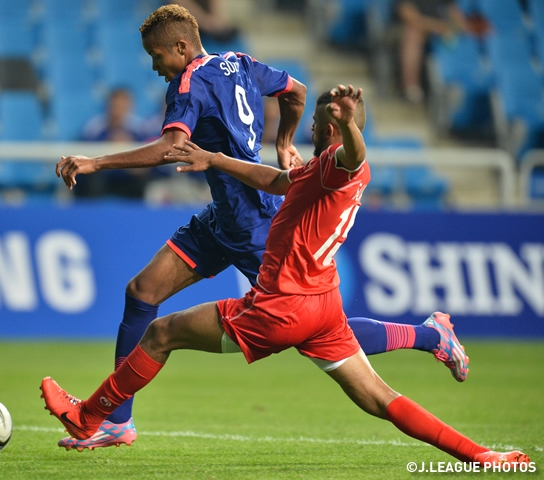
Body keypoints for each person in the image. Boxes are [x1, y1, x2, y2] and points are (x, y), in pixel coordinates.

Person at [41, 85, 528, 466]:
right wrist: (214, 160)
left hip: (281, 306)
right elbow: (274, 179)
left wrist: (350, 126)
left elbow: (353, 155)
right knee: (381, 397)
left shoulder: (341, 166)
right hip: (323, 304)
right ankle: (485, 457)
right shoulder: (319, 169)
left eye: (318, 125)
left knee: (161, 332)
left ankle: (91, 416)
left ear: (333, 132)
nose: (312, 132)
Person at [54, 4, 468, 451]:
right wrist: (285, 141)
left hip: (255, 222)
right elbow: (296, 90)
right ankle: (117, 421)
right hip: (224, 218)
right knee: (142, 291)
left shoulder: (188, 82)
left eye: (157, 57)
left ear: (180, 47)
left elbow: (172, 147)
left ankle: (430, 335)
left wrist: (96, 161)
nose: (156, 68)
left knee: (321, 331)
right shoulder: (242, 64)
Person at [396, 0, 472, 103]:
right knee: (413, 35)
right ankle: (412, 89)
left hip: (442, 30)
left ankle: (461, 83)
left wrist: (458, 26)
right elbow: (409, 16)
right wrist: (437, 27)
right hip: (419, 28)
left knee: (463, 35)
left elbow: (456, 15)